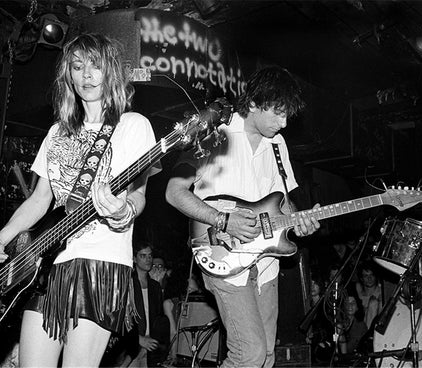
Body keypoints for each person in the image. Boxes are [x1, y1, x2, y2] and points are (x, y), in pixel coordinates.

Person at [0, 33, 160, 367]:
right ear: (68, 74)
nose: (86, 75)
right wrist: (0, 241)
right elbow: (39, 200)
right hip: (46, 268)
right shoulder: (57, 131)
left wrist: (123, 211)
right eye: (77, 67)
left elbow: (138, 194)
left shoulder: (132, 125)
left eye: (95, 66)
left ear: (110, 72)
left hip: (100, 265)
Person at [165, 66, 321, 368]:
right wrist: (223, 220)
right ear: (252, 104)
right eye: (277, 113)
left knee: (264, 358)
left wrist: (300, 223)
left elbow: (282, 203)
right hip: (221, 252)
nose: (284, 122)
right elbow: (174, 192)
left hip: (266, 264)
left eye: (287, 114)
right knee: (248, 354)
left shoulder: (278, 145)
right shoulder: (213, 132)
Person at [127, 242, 169, 367]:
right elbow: (120, 317)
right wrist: (138, 339)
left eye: (150, 256)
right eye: (143, 256)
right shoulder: (127, 283)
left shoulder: (155, 286)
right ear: (134, 259)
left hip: (151, 346)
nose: (148, 259)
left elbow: (157, 317)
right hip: (131, 345)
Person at [355, 261, 382, 328]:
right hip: (358, 330)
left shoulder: (381, 293)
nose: (369, 278)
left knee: (373, 303)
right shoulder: (357, 294)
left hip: (373, 330)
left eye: (371, 275)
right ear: (361, 278)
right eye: (366, 276)